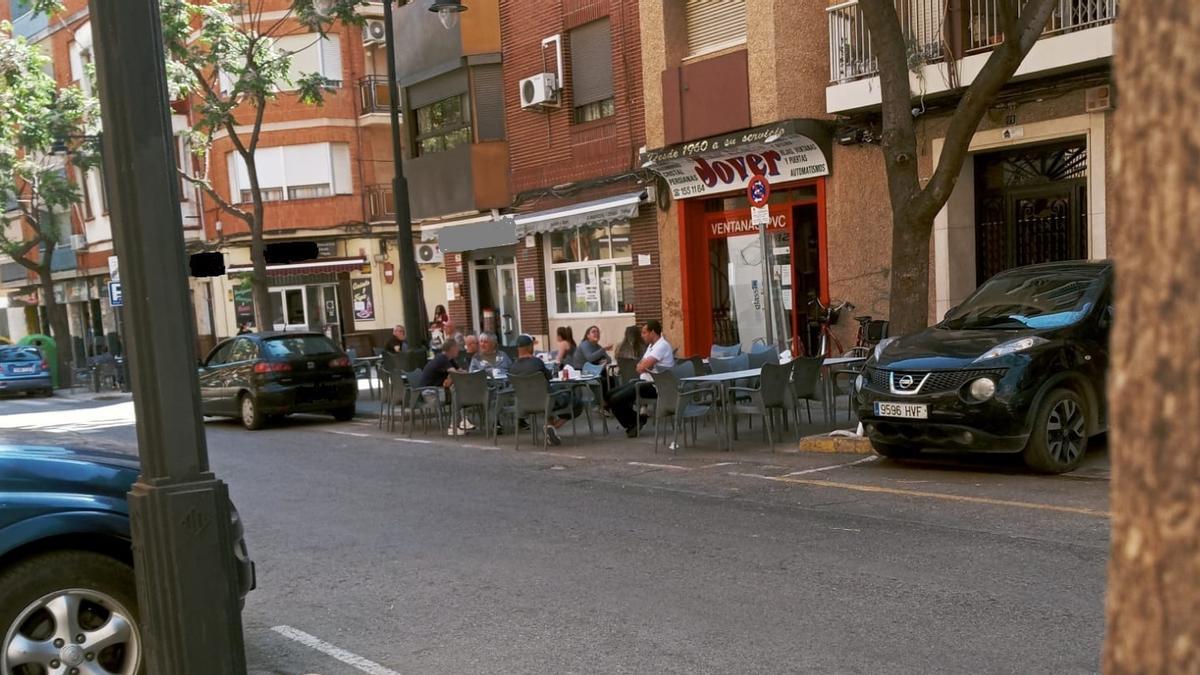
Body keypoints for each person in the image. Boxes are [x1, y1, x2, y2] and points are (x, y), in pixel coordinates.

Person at [605, 320, 676, 437]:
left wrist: (643, 365)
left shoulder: (662, 345)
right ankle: (635, 420)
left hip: (657, 386)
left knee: (615, 399)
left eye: (644, 333)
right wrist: (643, 365)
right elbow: (640, 366)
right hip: (644, 382)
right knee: (609, 395)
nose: (642, 336)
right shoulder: (651, 346)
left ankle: (634, 422)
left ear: (652, 332)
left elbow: (642, 366)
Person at [509, 335, 576, 446]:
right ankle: (551, 427)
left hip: (524, 405)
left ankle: (550, 427)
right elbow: (549, 377)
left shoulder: (512, 367)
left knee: (548, 393)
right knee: (574, 398)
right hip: (546, 403)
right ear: (530, 346)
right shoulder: (537, 363)